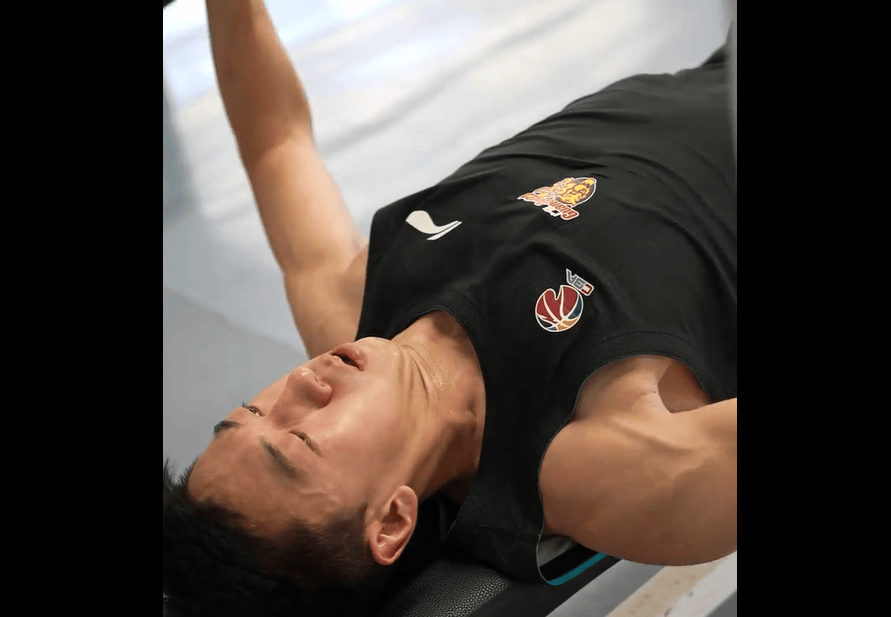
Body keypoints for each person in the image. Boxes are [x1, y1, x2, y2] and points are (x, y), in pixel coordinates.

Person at [162, 1, 737, 615]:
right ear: (391, 520)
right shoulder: (597, 462)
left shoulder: (353, 305)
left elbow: (275, 144)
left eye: (253, 410)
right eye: (300, 439)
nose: (302, 382)